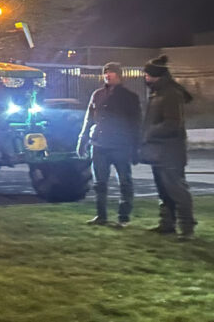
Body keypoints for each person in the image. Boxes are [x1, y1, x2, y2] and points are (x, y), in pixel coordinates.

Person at [77, 62, 141, 227]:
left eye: (111, 73)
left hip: (120, 145)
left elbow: (135, 123)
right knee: (100, 183)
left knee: (125, 182)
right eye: (105, 73)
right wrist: (83, 139)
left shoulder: (129, 97)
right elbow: (89, 119)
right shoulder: (97, 94)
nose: (107, 75)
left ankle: (124, 217)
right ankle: (101, 216)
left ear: (119, 75)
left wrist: (135, 147)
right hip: (99, 144)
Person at [140, 55, 196, 241]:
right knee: (164, 190)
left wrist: (149, 133)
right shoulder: (158, 92)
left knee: (176, 190)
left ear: (155, 75)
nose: (145, 78)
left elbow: (173, 124)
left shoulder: (171, 93)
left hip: (171, 152)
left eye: (147, 74)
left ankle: (187, 228)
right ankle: (166, 225)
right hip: (159, 152)